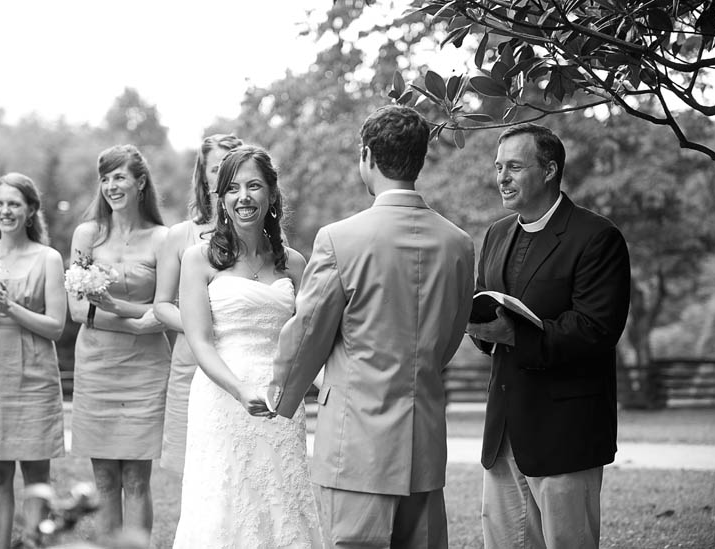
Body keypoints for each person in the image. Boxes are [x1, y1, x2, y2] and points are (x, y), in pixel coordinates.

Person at [267, 105, 476, 549]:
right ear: (419, 159)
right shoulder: (458, 244)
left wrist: (279, 395)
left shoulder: (340, 240)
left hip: (355, 442)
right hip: (424, 441)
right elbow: (450, 337)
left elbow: (308, 333)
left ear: (367, 156)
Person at [465, 123, 631, 549]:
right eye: (499, 167)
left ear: (550, 170)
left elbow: (596, 330)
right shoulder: (496, 234)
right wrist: (477, 328)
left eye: (515, 167)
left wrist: (516, 335)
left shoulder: (597, 237)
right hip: (503, 433)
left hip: (565, 434)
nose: (501, 177)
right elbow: (490, 315)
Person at [172, 145, 321, 548]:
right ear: (221, 198)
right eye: (233, 188)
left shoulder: (294, 263)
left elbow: (308, 337)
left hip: (281, 402)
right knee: (224, 499)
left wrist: (311, 386)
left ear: (272, 194)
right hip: (222, 395)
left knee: (281, 500)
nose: (244, 197)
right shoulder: (198, 259)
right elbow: (200, 341)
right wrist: (239, 389)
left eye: (254, 186)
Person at [0, 174, 67, 549]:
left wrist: (12, 307)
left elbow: (55, 327)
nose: (6, 211)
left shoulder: (48, 258)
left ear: (31, 209)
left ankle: (33, 544)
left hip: (35, 376)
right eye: (0, 203)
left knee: (37, 476)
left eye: (15, 204)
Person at [68, 144, 170, 541]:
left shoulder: (163, 238)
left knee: (136, 478)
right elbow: (77, 311)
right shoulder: (87, 234)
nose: (111, 186)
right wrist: (137, 320)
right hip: (97, 368)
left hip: (145, 372)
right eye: (105, 178)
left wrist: (110, 308)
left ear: (140, 182)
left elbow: (163, 312)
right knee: (106, 479)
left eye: (120, 177)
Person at [154, 133, 242, 475]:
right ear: (203, 176)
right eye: (216, 168)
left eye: (232, 167)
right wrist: (200, 325)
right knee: (196, 474)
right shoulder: (180, 235)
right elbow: (161, 305)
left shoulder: (266, 238)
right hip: (191, 364)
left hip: (244, 362)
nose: (224, 175)